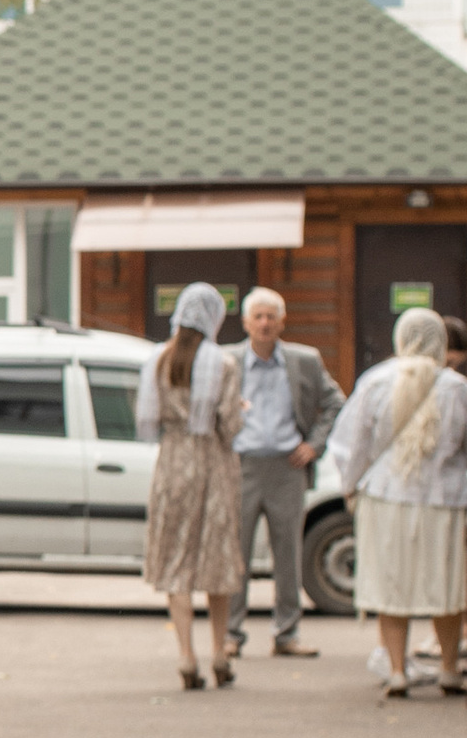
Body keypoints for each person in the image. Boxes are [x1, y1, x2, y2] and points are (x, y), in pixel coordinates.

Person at [331, 303, 467, 696]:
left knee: (390, 585)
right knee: (447, 586)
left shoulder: (376, 380)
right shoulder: (457, 387)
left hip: (386, 497)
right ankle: (450, 669)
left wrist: (350, 485)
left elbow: (352, 444)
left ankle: (398, 670)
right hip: (442, 500)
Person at [138, 286, 246, 691]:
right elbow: (230, 425)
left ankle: (186, 657)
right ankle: (220, 653)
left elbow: (150, 416)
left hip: (172, 462)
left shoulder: (158, 360)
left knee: (177, 560)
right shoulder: (224, 364)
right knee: (216, 557)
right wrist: (242, 412)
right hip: (213, 463)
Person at [226, 287, 340, 660]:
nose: (264, 323)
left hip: (288, 467)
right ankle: (230, 633)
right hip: (242, 466)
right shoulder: (229, 361)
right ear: (245, 322)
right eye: (257, 316)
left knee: (288, 553)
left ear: (281, 322)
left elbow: (334, 402)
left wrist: (314, 445)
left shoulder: (303, 361)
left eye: (270, 316)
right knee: (235, 553)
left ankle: (287, 633)